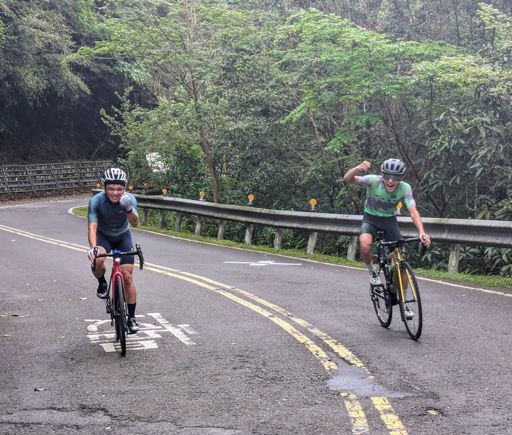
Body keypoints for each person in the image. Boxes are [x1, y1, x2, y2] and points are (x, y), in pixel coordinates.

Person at [343, 158, 431, 286]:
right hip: (370, 219)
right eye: (387, 176)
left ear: (401, 178)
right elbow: (347, 179)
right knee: (365, 244)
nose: (390, 181)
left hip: (389, 221)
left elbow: (413, 211)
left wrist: (422, 232)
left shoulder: (405, 188)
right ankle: (372, 271)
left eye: (396, 178)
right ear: (382, 175)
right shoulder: (373, 180)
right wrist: (357, 169)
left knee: (401, 259)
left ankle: (402, 295)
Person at [87, 168, 140, 333]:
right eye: (110, 188)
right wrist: (93, 248)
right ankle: (102, 282)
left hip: (123, 237)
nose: (115, 193)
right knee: (98, 260)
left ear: (125, 188)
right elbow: (92, 227)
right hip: (104, 236)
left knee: (127, 277)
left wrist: (128, 209)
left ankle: (131, 318)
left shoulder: (130, 199)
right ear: (104, 187)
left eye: (119, 189)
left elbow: (135, 223)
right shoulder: (96, 201)